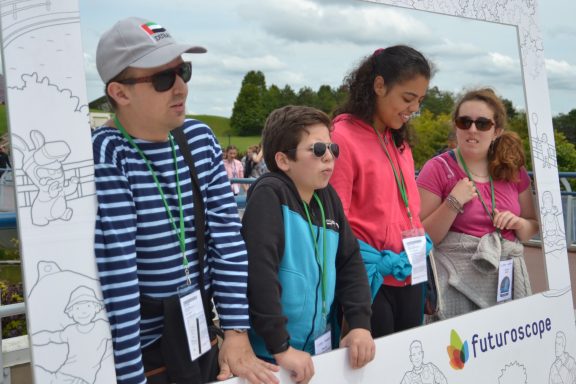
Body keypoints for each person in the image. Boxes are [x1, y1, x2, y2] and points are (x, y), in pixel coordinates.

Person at [92, 17, 278, 384]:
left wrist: (236, 333)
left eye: (183, 71)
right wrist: (131, 377)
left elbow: (226, 238)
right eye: (162, 79)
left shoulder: (198, 138)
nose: (180, 88)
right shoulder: (109, 154)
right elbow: (119, 277)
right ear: (120, 93)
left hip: (199, 332)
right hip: (148, 354)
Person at [242, 106, 375, 383]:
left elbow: (350, 263)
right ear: (283, 160)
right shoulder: (270, 194)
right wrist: (280, 347)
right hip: (271, 359)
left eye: (332, 148)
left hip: (317, 352)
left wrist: (360, 324)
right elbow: (260, 276)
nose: (328, 156)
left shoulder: (328, 198)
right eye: (317, 149)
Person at [330, 45, 433, 338]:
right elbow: (339, 219)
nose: (414, 109)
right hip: (370, 279)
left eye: (420, 101)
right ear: (378, 85)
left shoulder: (399, 139)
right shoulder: (342, 136)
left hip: (410, 271)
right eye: (407, 98)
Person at [417, 88, 538, 320]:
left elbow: (531, 226)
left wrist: (519, 223)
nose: (472, 129)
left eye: (482, 124)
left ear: (496, 131)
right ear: (456, 126)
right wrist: (453, 202)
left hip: (506, 280)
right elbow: (423, 237)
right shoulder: (437, 168)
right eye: (464, 122)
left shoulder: (513, 170)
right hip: (455, 285)